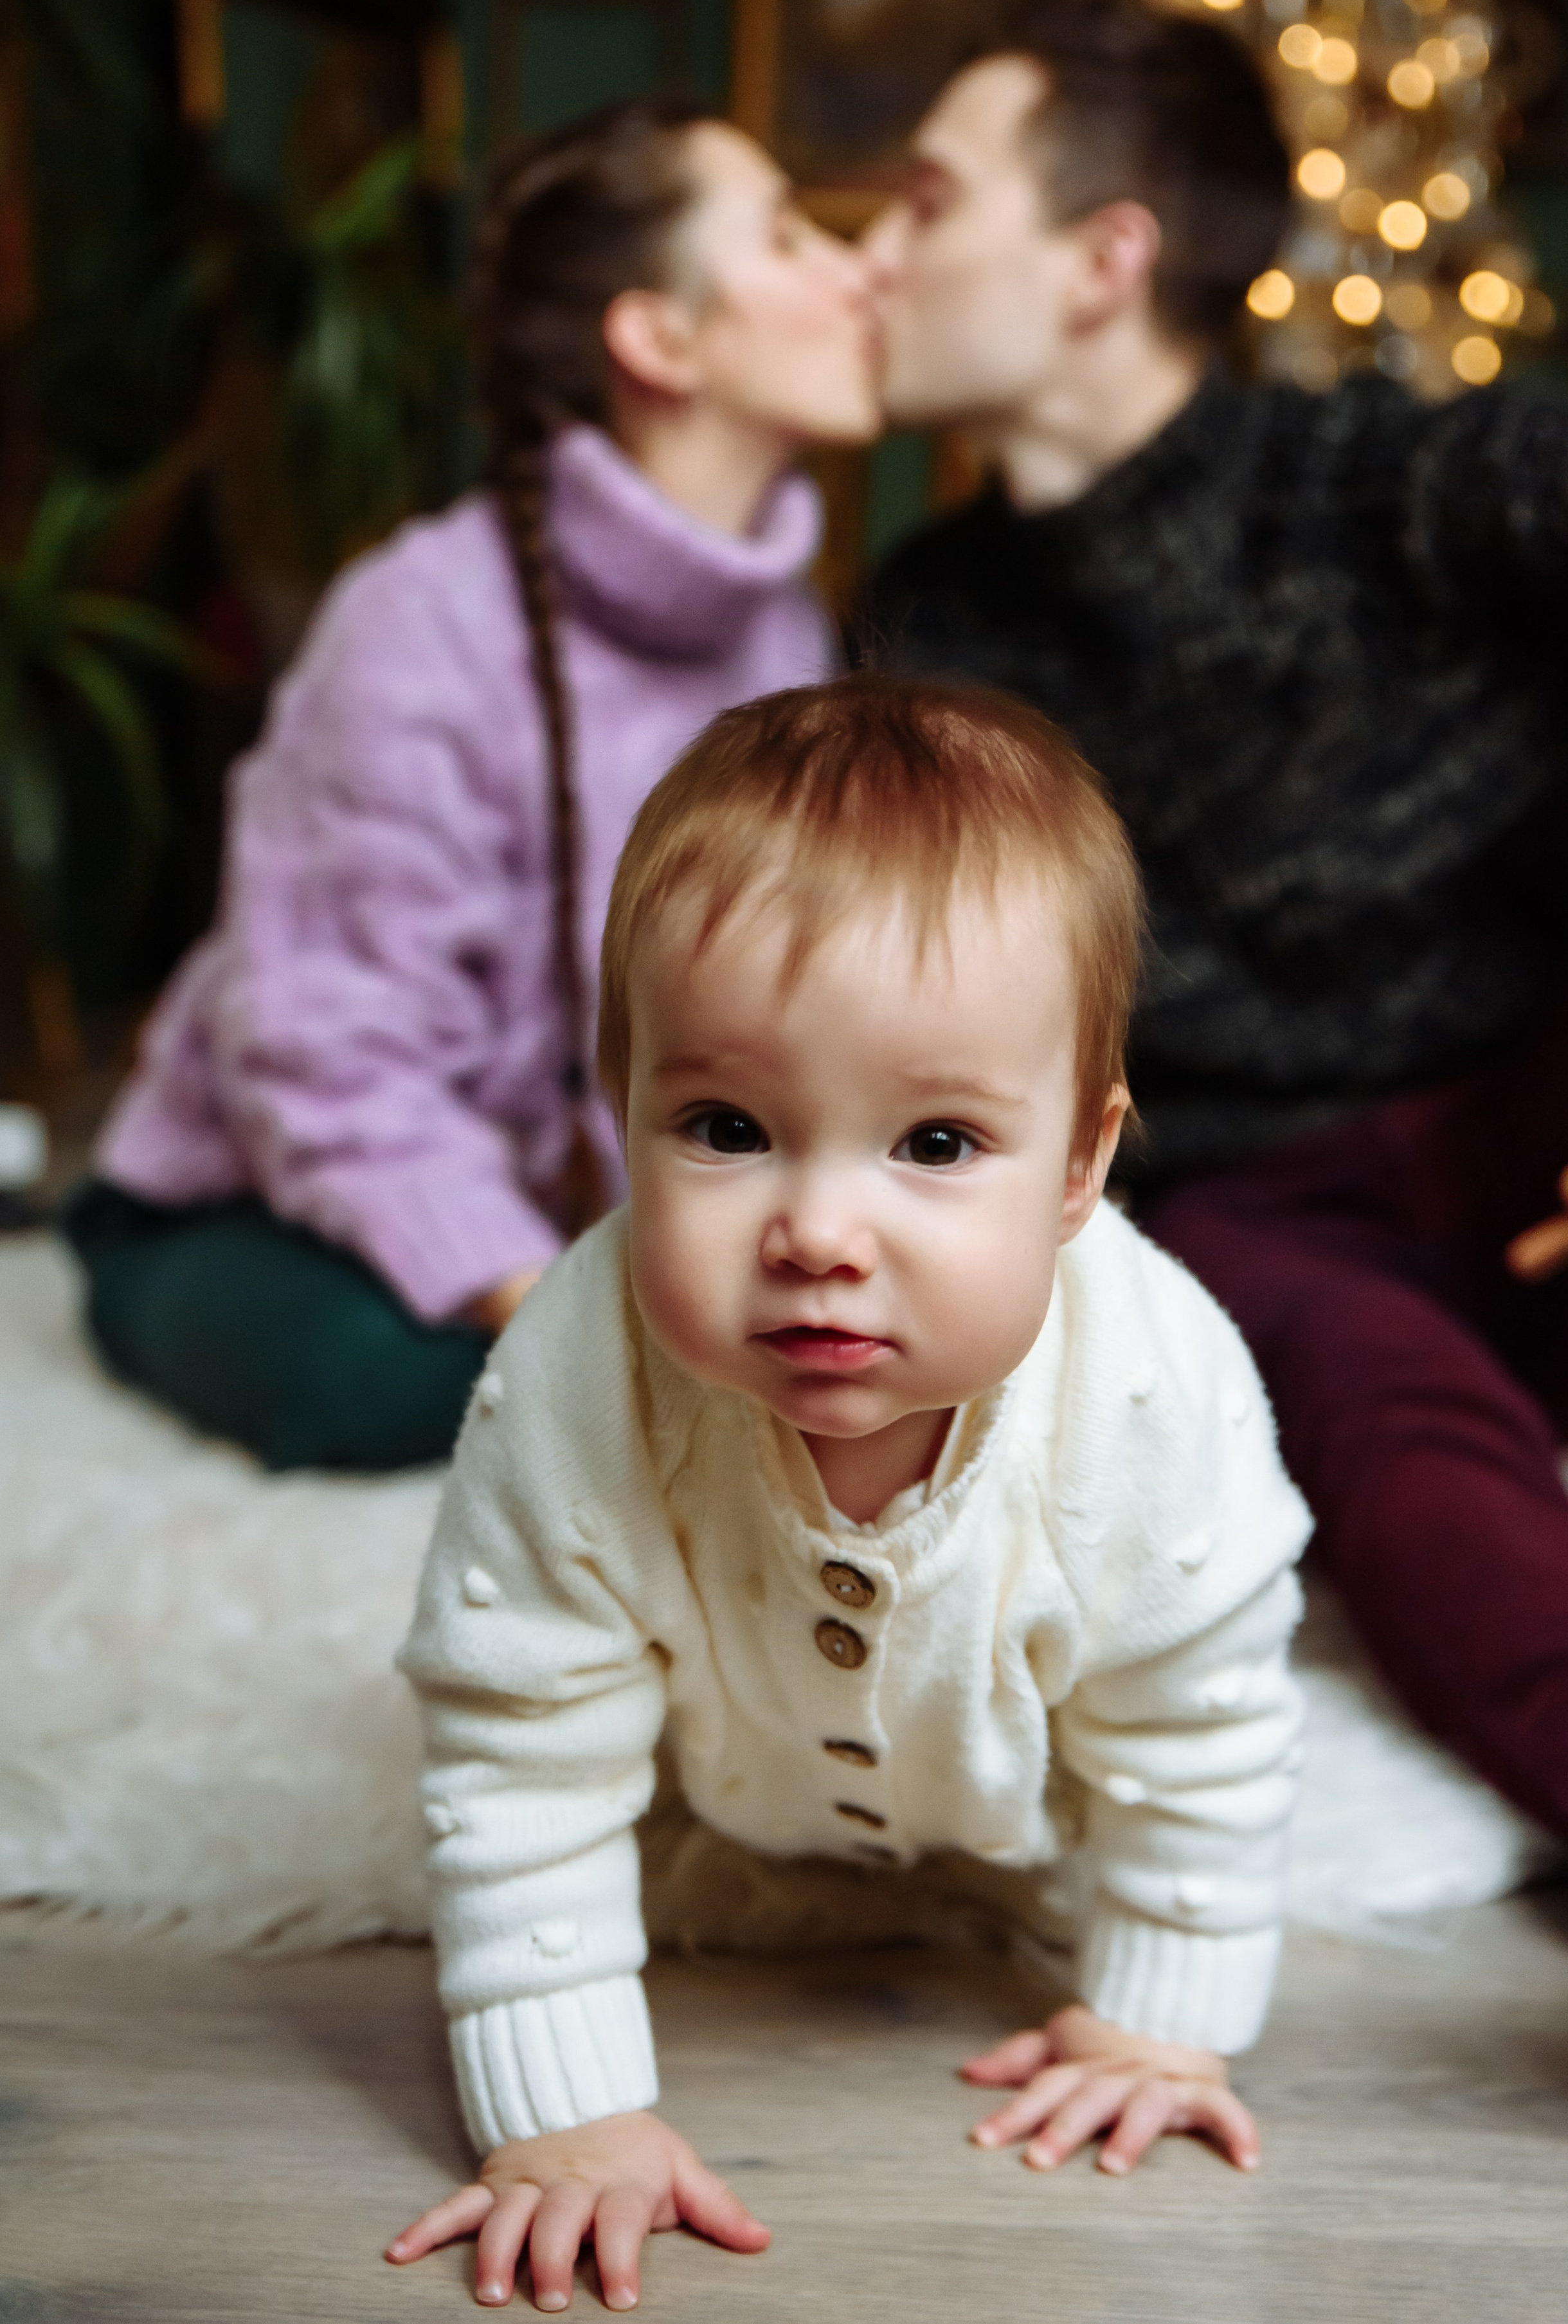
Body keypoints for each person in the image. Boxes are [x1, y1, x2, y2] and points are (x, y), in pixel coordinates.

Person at [387, 676, 1311, 2311]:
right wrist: (565, 2115)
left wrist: (1161, 2017)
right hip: (715, 1802)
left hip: (1021, 1820)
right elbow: (517, 1750)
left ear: (1081, 1166)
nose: (820, 1229)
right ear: (623, 1115)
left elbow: (1203, 1721)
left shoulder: (1155, 1399)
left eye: (937, 1143)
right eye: (727, 1126)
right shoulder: (574, 1384)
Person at [857, 0, 1568, 1889]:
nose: (872, 250)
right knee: (1372, 1419)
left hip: (1562, 1113)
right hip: (1275, 1206)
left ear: (1106, 257)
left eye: (929, 200)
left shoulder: (1395, 478)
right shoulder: (930, 620)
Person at [64, 94, 878, 1473]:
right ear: (659, 337)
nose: (858, 269)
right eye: (790, 236)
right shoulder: (418, 622)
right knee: (400, 1383)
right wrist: (546, 1306)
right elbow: (321, 1054)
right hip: (261, 1195)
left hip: (573, 1212)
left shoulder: (788, 633)